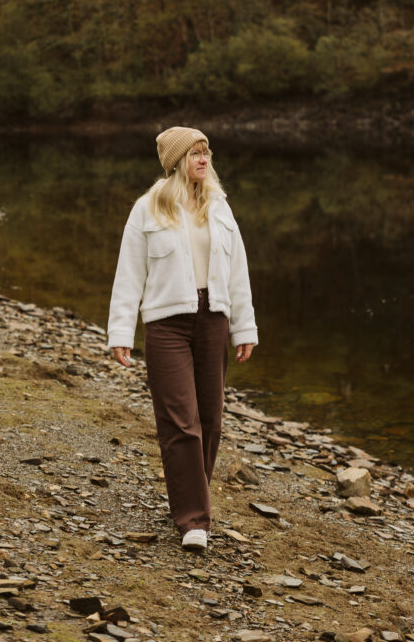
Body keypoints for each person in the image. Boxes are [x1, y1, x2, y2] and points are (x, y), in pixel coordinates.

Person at [107, 126, 258, 552]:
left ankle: (192, 497)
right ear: (176, 162)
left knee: (210, 421)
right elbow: (129, 273)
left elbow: (238, 272)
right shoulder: (148, 208)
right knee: (180, 422)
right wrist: (121, 332)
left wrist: (244, 327)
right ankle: (194, 519)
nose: (204, 159)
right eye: (194, 153)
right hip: (166, 324)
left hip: (214, 320)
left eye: (206, 152)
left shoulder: (220, 206)